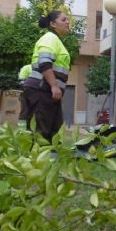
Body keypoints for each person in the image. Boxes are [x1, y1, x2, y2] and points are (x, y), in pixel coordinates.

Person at [21, 10, 71, 143]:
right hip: (42, 92)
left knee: (52, 132)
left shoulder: (55, 40)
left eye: (67, 19)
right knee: (41, 133)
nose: (68, 22)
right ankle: (38, 161)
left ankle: (50, 160)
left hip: (45, 92)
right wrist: (54, 86)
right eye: (64, 19)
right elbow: (44, 62)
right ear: (53, 24)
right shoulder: (50, 38)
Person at [17, 64, 32, 129]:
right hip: (29, 92)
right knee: (26, 112)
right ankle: (22, 130)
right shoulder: (30, 68)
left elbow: (20, 81)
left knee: (24, 112)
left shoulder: (26, 67)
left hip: (24, 92)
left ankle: (22, 130)